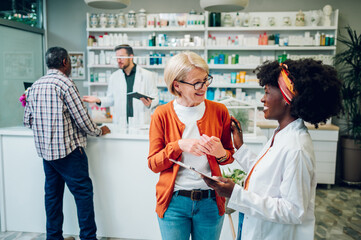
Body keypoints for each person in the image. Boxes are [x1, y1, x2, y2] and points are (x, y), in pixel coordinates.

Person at [203, 59, 342, 240]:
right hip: (256, 227)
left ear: (287, 99)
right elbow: (268, 175)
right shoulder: (282, 133)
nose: (262, 98)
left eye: (267, 92)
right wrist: (240, 148)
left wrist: (235, 194)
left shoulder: (296, 148)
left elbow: (293, 210)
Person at [24, 47, 111, 240]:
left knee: (52, 197)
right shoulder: (66, 84)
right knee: (83, 195)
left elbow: (27, 120)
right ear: (65, 62)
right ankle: (88, 237)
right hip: (69, 151)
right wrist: (98, 130)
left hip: (47, 154)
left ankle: (54, 237)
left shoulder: (35, 86)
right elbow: (83, 119)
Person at [148, 51, 235, 240]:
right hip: (174, 202)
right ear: (177, 85)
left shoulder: (219, 111)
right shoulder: (161, 114)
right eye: (196, 82)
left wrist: (220, 153)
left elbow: (228, 156)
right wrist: (178, 145)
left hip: (210, 201)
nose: (203, 87)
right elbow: (154, 164)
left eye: (205, 80)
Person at [82, 44, 159, 125]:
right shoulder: (114, 77)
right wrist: (98, 100)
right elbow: (111, 99)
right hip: (121, 123)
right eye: (117, 57)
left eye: (122, 57)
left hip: (141, 123)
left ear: (131, 56)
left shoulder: (147, 75)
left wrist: (150, 103)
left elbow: (155, 98)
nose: (118, 60)